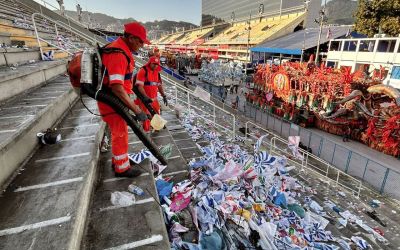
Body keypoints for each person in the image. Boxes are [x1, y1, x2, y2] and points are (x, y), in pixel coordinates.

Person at [97, 22, 149, 178]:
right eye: (140, 41)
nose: (142, 45)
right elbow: (117, 87)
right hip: (113, 101)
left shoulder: (121, 49)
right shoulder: (118, 54)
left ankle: (120, 161)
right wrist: (137, 110)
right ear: (132, 38)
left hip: (116, 101)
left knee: (120, 133)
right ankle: (122, 169)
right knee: (120, 134)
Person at [135, 56, 168, 132]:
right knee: (146, 119)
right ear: (150, 63)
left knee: (156, 115)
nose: (155, 66)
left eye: (157, 64)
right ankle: (146, 134)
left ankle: (155, 131)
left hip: (154, 100)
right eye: (154, 64)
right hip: (144, 100)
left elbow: (159, 86)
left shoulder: (157, 73)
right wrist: (145, 97)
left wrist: (164, 96)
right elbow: (140, 86)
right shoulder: (143, 71)